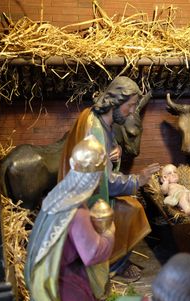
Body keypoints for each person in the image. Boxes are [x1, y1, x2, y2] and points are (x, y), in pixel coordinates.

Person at [1, 135, 113, 301]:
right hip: (61, 280)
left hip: (48, 273)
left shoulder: (59, 195)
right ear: (94, 177)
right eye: (100, 175)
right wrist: (108, 233)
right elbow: (91, 254)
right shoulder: (76, 210)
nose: (101, 180)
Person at [59, 76, 160, 282]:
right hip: (89, 200)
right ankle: (112, 262)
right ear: (115, 101)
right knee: (135, 209)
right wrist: (137, 180)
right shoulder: (95, 132)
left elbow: (107, 154)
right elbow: (106, 181)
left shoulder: (93, 117)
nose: (132, 111)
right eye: (130, 106)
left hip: (85, 191)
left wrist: (117, 152)